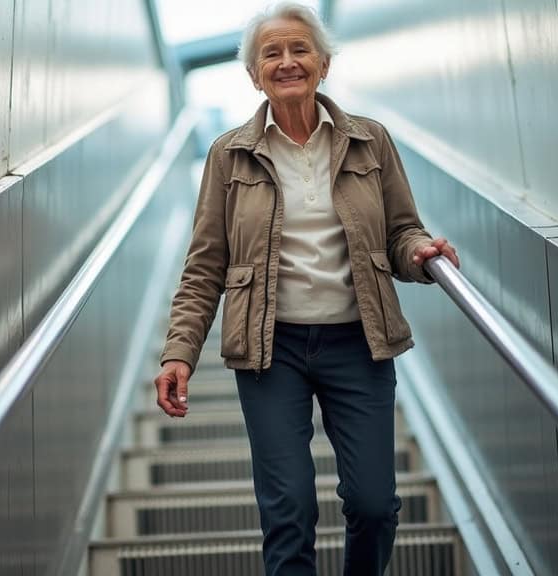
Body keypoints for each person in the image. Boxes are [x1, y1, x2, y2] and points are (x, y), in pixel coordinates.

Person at [153, 3, 460, 575]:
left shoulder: (371, 141)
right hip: (272, 350)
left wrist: (420, 256)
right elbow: (205, 265)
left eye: (300, 50)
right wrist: (179, 352)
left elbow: (400, 231)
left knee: (374, 505)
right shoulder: (228, 154)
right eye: (272, 53)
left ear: (323, 64)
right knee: (288, 508)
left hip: (359, 344)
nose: (287, 61)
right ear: (253, 74)